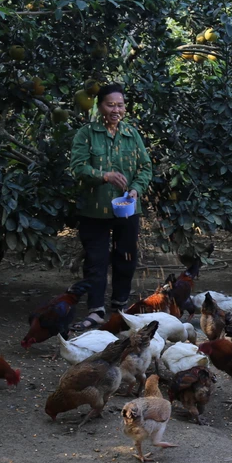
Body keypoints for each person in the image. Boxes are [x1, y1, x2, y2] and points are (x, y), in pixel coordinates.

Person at [69, 83, 153, 330]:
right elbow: (77, 167)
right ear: (99, 106)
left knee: (125, 257)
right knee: (96, 259)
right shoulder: (86, 134)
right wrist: (104, 176)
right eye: (110, 104)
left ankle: (120, 307)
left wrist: (137, 187)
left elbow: (145, 167)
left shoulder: (132, 134)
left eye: (120, 105)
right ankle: (96, 310)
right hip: (94, 211)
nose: (116, 109)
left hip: (127, 209)